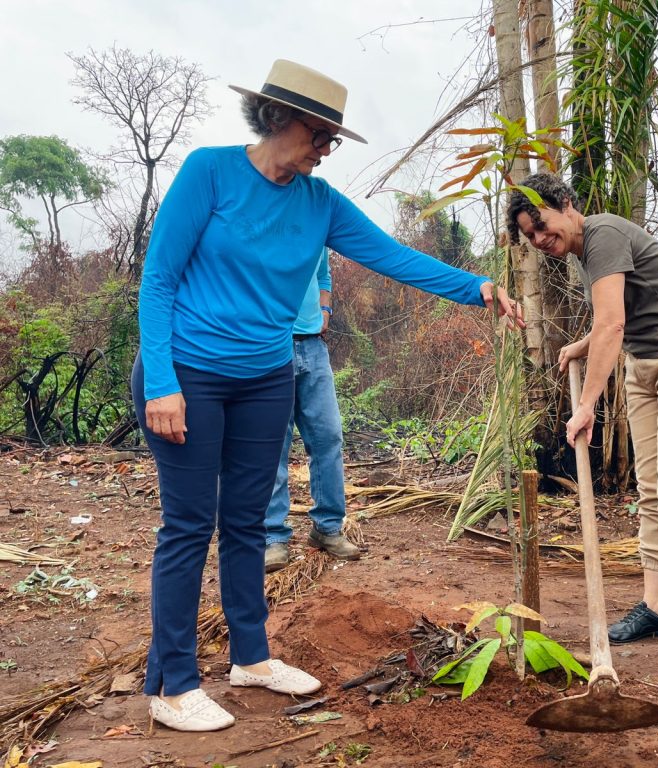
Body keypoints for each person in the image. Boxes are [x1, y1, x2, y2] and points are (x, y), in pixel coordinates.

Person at [134, 59, 522, 732]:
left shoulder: (319, 204)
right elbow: (159, 280)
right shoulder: (210, 172)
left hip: (265, 377)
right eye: (321, 133)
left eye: (333, 138)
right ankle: (170, 684)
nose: (327, 147)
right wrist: (163, 382)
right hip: (189, 373)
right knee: (190, 525)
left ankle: (250, 657)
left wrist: (477, 287)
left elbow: (391, 255)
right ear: (279, 119)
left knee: (249, 523)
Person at [506, 173, 658, 676]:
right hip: (645, 363)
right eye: (530, 235)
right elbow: (617, 313)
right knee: (651, 490)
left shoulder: (602, 234)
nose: (540, 240)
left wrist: (586, 404)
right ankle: (655, 608)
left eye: (540, 225)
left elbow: (611, 323)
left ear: (565, 204)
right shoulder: (586, 253)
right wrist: (583, 345)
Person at [264, 248, 358, 572]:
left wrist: (325, 309)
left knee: (328, 436)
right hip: (271, 345)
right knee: (274, 444)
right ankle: (273, 537)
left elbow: (323, 274)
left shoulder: (315, 227)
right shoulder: (266, 221)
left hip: (314, 347)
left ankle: (327, 528)